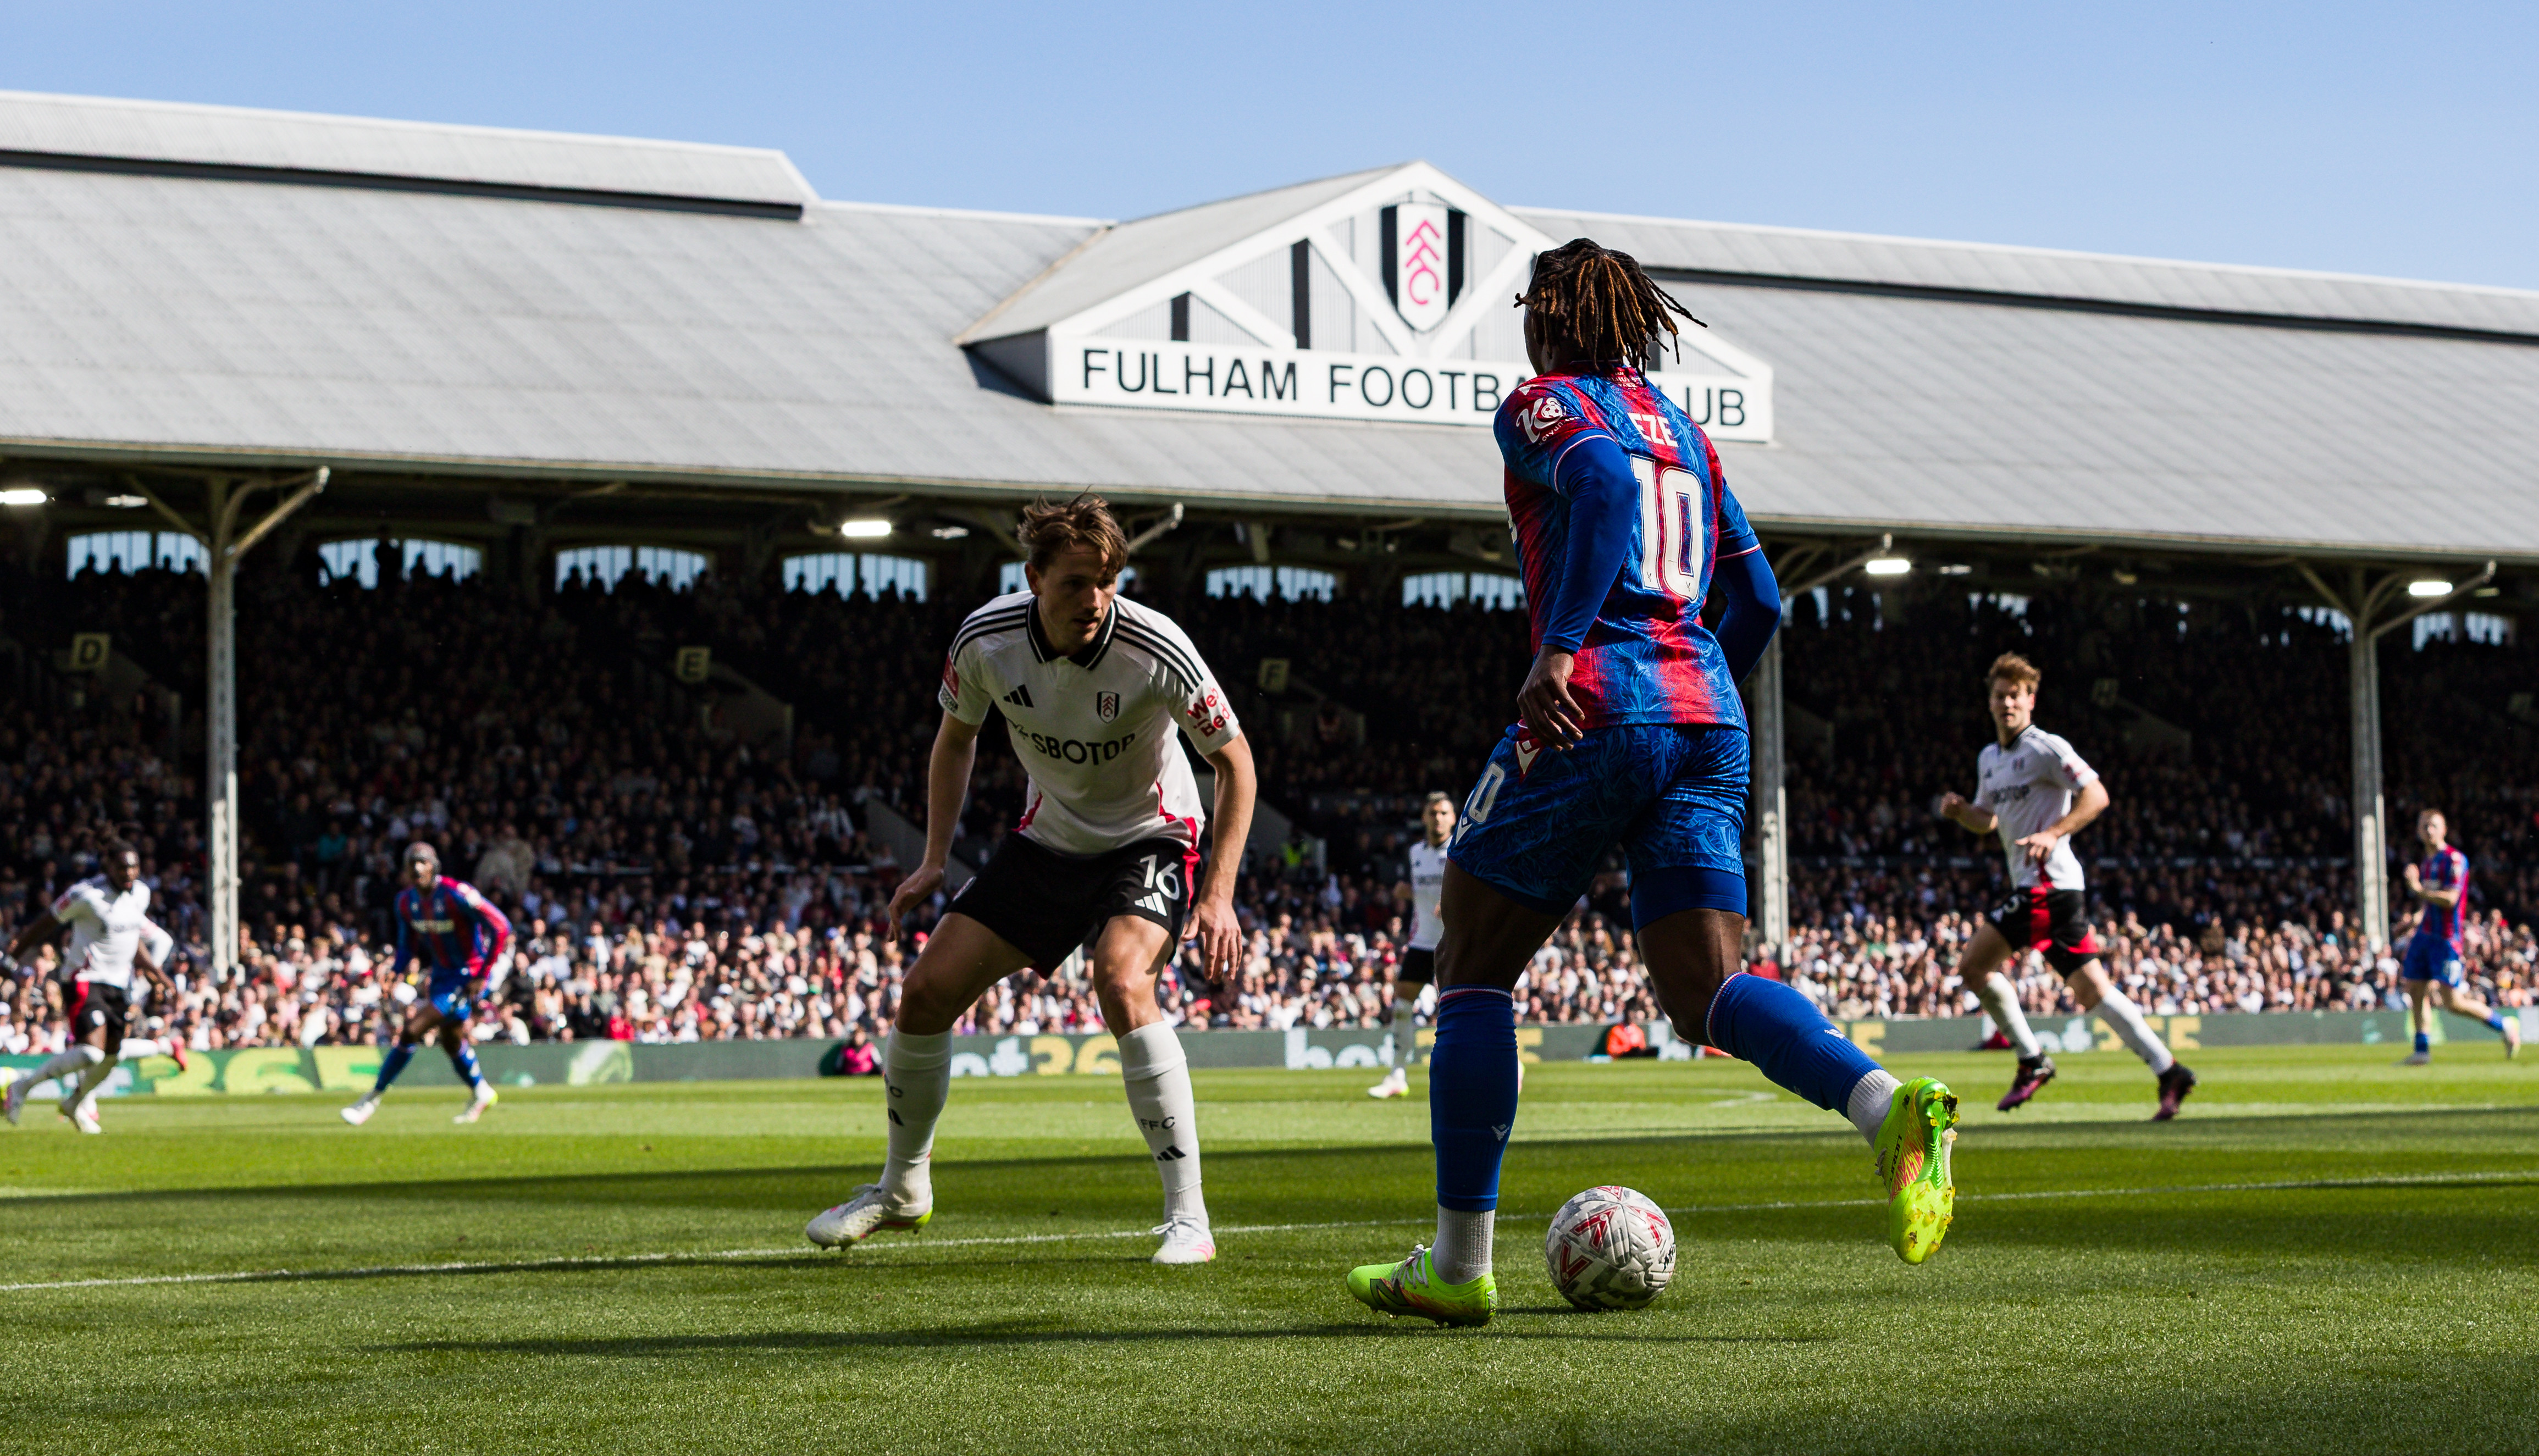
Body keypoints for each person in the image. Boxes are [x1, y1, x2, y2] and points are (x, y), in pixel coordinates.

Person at [1345, 240, 1960, 1329]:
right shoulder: (1685, 432)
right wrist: (1684, 683)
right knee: (1703, 991)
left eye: (1531, 305)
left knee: (1471, 969)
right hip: (1704, 712)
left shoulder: (1542, 404)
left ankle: (1455, 1263)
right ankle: (1882, 1105)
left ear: (1553, 315)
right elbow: (1759, 599)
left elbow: (1589, 481)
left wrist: (1564, 649)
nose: (1524, 324)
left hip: (1597, 697)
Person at [806, 494, 1255, 1266]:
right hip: (1046, 840)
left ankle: (1189, 1217)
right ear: (1033, 577)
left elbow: (1234, 762)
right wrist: (933, 859)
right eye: (1076, 582)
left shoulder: (1157, 647)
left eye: (1107, 580)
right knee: (924, 992)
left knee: (1120, 981)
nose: (1094, 599)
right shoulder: (985, 639)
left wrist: (1217, 894)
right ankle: (902, 1187)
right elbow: (955, 742)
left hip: (1149, 837)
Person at [1940, 654, 2197, 1119]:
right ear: (1990, 701)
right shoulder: (1989, 759)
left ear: (2030, 700)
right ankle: (2169, 1069)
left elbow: (2096, 794)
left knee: (1973, 966)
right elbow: (1989, 819)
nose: (2006, 704)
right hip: (2047, 887)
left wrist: (2053, 832)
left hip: (2047, 886)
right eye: (1999, 696)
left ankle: (2031, 1059)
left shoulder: (2045, 747)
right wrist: (1962, 811)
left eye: (2015, 696)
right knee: (2092, 990)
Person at [3, 844, 184, 1133]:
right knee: (92, 1053)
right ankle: (21, 1088)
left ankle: (75, 1102)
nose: (130, 874)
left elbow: (130, 937)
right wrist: (11, 957)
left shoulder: (141, 893)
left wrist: (158, 974)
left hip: (118, 984)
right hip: (83, 978)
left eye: (134, 867)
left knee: (111, 1057)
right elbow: (43, 924)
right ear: (108, 866)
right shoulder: (85, 895)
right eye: (123, 867)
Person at [339, 843, 513, 1126]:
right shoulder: (406, 902)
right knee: (450, 1040)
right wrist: (396, 969)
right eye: (412, 863)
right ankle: (481, 1090)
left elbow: (502, 926)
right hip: (442, 976)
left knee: (412, 1030)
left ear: (435, 866)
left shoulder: (458, 894)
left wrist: (483, 973)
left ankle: (371, 1099)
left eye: (423, 862)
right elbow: (407, 943)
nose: (417, 868)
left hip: (467, 976)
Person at [2395, 807, 2520, 1064]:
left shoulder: (2454, 860)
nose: (2428, 830)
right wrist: (2416, 919)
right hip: (2425, 936)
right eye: (2424, 826)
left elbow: (2451, 900)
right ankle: (2422, 1050)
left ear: (2444, 830)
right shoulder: (2427, 863)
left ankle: (2504, 1025)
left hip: (2445, 939)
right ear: (2418, 831)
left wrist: (2417, 890)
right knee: (2415, 989)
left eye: (2433, 825)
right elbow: (2430, 902)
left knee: (2452, 1002)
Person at [1369, 792, 1456, 1099]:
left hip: (1454, 941)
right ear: (1423, 818)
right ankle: (1396, 1076)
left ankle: (1508, 1066)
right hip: (1422, 942)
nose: (1438, 818)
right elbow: (1418, 890)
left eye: (1444, 813)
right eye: (1433, 813)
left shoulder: (1461, 849)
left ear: (1454, 818)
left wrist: (1452, 903)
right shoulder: (1415, 853)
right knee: (1403, 1008)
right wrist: (1406, 893)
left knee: (1462, 1010)